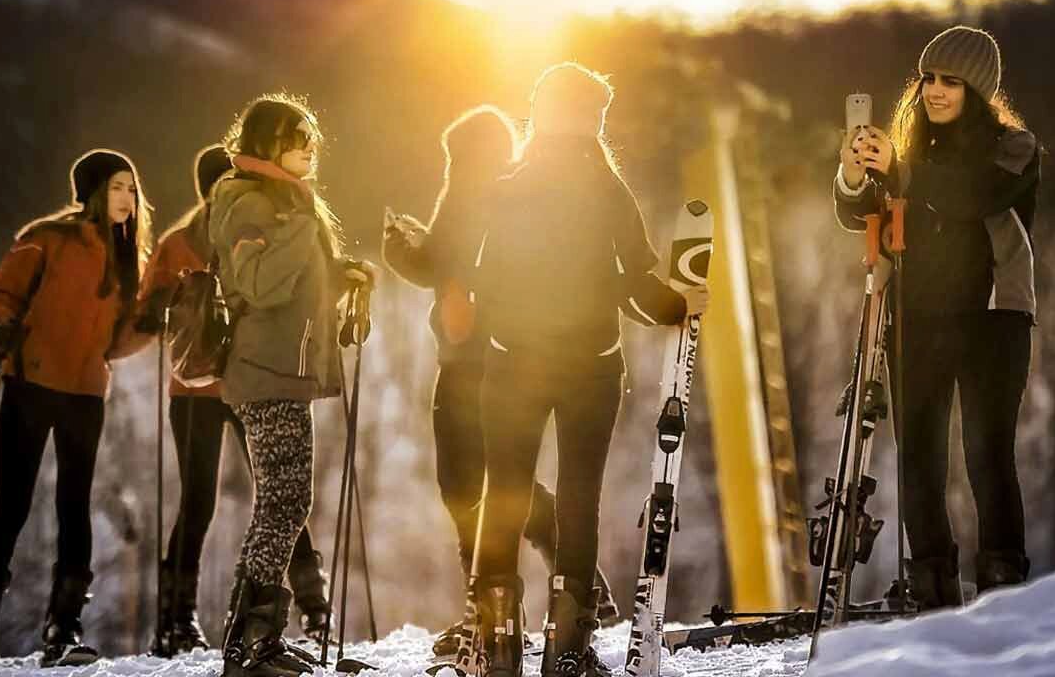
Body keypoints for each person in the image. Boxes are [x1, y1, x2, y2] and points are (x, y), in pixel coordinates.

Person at [470, 64, 709, 677]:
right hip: (590, 368)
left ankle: (495, 645)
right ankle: (566, 649)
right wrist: (681, 305)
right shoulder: (607, 189)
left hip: (511, 365)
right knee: (578, 497)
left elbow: (482, 282)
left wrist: (505, 333)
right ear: (589, 119)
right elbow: (635, 286)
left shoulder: (508, 186)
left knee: (506, 493)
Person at [381, 105, 620, 658]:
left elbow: (436, 264)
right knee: (503, 484)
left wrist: (397, 244)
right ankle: (572, 588)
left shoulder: (466, 192)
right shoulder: (520, 194)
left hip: (469, 365)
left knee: (467, 488)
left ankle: (486, 620)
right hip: (514, 358)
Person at [834, 25, 1040, 609]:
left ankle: (1002, 586)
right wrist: (855, 176)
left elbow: (970, 194)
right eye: (928, 78)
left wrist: (902, 167)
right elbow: (863, 214)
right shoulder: (910, 154)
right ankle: (931, 585)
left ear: (977, 90)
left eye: (950, 81)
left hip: (992, 318)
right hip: (918, 318)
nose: (935, 90)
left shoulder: (1014, 147)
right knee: (919, 456)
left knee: (986, 453)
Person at [0, 149, 152, 666]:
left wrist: (157, 320)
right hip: (31, 381)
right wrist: (0, 327)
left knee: (74, 504)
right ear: (91, 191)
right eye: (116, 187)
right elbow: (1, 295)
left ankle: (64, 628)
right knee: (13, 504)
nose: (127, 198)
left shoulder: (130, 258)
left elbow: (118, 340)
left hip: (85, 391)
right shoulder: (47, 239)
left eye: (131, 188)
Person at [135, 145, 331, 656]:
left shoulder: (243, 229)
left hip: (238, 382)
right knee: (208, 499)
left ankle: (308, 605)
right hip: (199, 387)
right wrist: (158, 304)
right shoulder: (182, 242)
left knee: (278, 493)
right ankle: (180, 618)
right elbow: (146, 309)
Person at [209, 95, 374, 677]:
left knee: (283, 500)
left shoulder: (285, 202)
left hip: (285, 367)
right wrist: (305, 230)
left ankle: (252, 639)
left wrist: (341, 274)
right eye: (295, 135)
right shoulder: (246, 199)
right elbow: (258, 282)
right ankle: (251, 644)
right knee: (284, 501)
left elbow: (296, 279)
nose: (309, 145)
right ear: (265, 143)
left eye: (310, 135)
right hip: (267, 371)